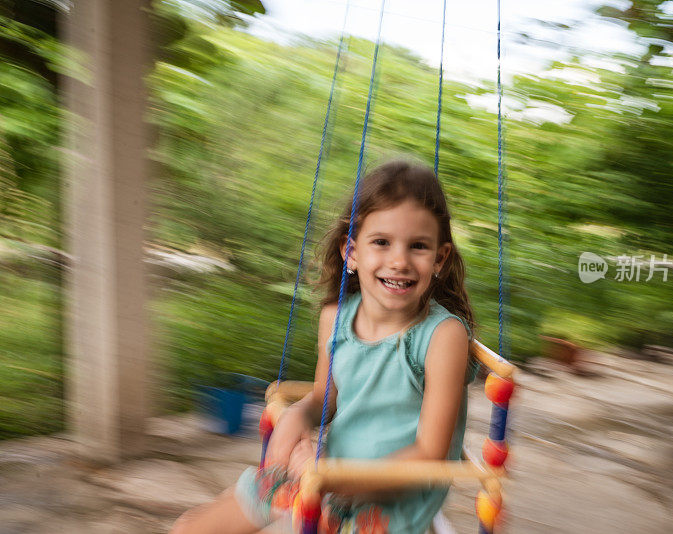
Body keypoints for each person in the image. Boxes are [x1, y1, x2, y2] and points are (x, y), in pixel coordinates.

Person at [171, 160, 478, 534]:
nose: (399, 261)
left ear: (439, 259)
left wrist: (329, 478)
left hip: (392, 498)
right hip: (326, 470)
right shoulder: (336, 319)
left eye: (418, 246)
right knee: (194, 526)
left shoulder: (442, 335)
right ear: (352, 252)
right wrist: (295, 419)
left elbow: (429, 454)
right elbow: (323, 399)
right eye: (381, 242)